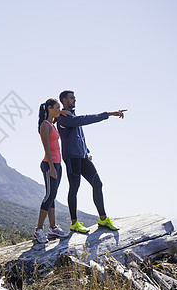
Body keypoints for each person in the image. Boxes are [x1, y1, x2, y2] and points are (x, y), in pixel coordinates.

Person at [57, 90, 126, 233]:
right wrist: (108, 114)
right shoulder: (63, 118)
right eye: (71, 98)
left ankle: (103, 219)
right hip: (71, 158)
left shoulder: (71, 115)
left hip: (82, 156)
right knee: (74, 188)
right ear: (64, 100)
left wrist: (87, 151)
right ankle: (74, 223)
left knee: (97, 183)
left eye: (74, 97)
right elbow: (84, 120)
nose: (74, 99)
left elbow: (79, 135)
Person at [34, 98, 70, 243]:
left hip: (57, 163)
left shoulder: (51, 123)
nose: (58, 110)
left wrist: (62, 112)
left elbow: (57, 114)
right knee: (49, 195)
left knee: (53, 195)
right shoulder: (45, 126)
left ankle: (53, 228)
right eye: (56, 107)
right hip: (50, 164)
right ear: (49, 108)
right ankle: (38, 230)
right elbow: (46, 148)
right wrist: (51, 167)